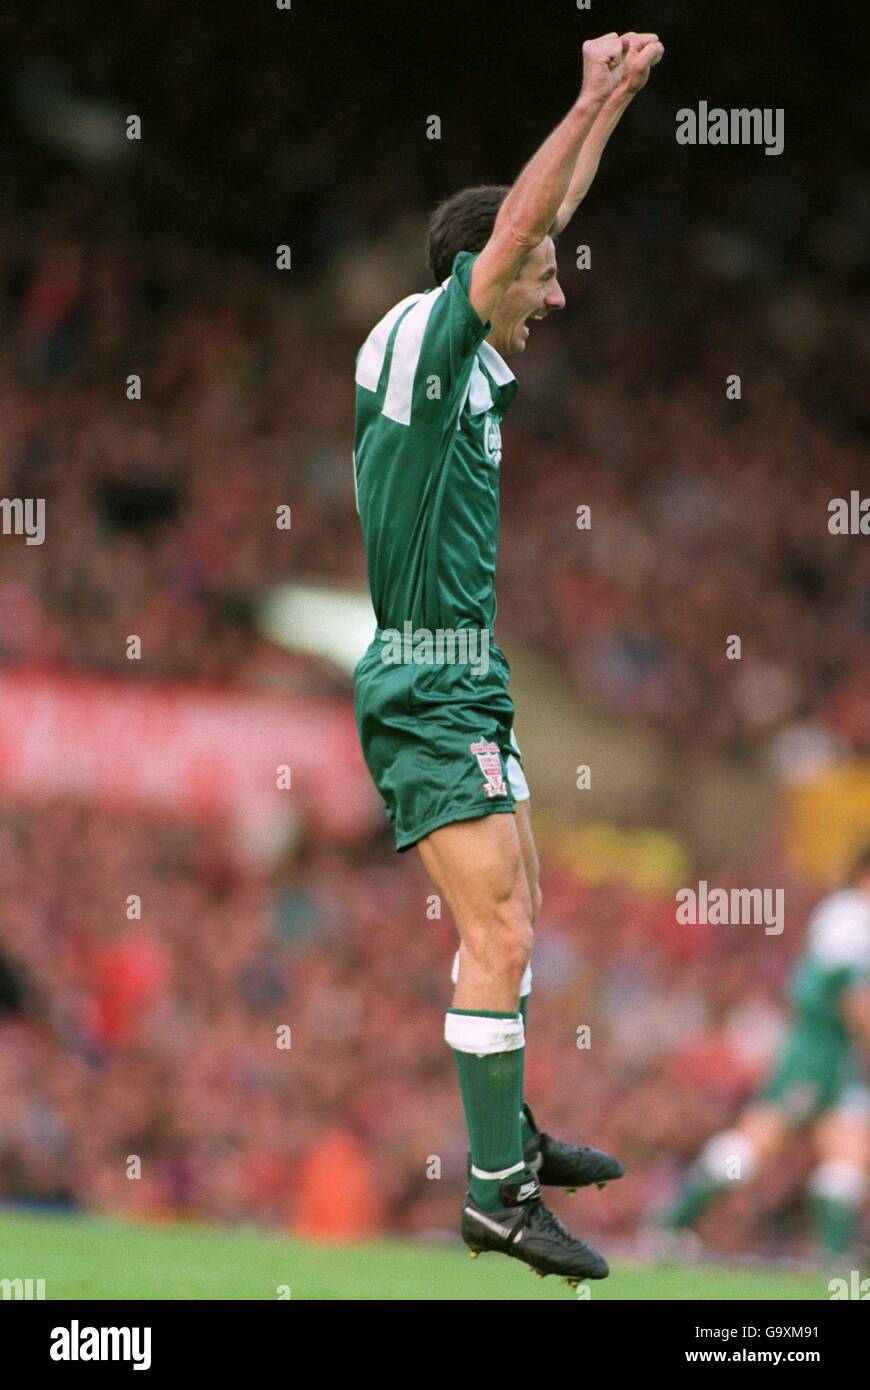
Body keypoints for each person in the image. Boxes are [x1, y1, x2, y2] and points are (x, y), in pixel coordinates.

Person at [353, 32, 664, 1282]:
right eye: (543, 274)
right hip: (429, 677)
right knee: (498, 936)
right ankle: (494, 1197)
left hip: (465, 675)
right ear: (484, 277)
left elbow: (544, 214)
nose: (559, 291)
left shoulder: (454, 353)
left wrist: (615, 110)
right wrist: (580, 95)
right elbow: (517, 234)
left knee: (519, 918)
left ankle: (510, 1144)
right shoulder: (436, 352)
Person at [664, 849, 870, 1261]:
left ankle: (830, 1258)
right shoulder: (848, 915)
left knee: (848, 1151)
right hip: (818, 1046)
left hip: (841, 1051)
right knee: (758, 1141)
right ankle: (671, 1223)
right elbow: (853, 997)